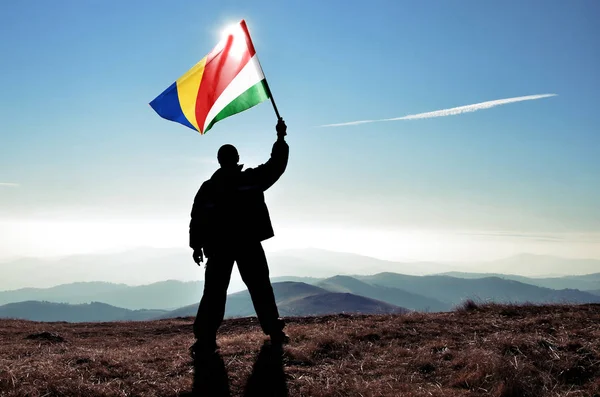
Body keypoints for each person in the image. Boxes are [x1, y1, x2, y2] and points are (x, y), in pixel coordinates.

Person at [189, 119, 290, 356]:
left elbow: (197, 218)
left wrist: (196, 246)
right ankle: (274, 331)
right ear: (236, 158)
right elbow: (275, 166)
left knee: (214, 293)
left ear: (220, 160)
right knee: (260, 288)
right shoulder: (249, 179)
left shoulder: (209, 187)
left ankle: (205, 339)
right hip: (247, 243)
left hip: (219, 247)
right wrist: (281, 139)